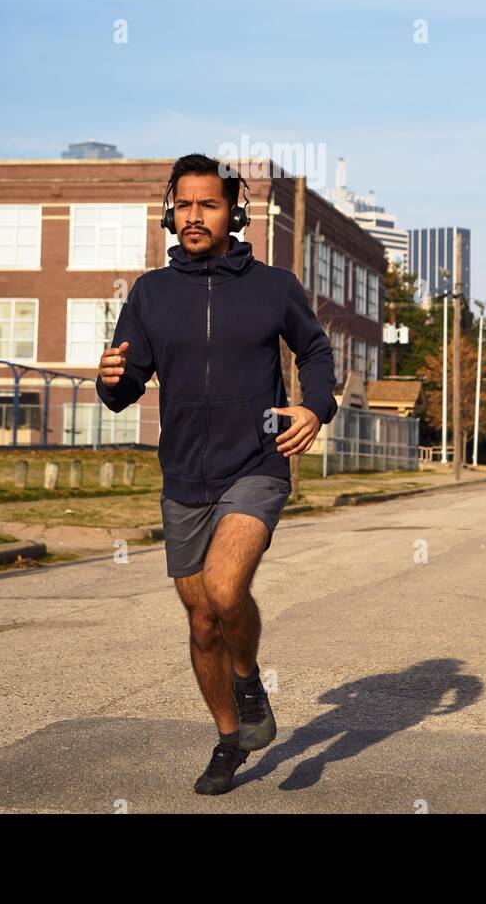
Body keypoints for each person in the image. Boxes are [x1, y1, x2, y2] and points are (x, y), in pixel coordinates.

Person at [96, 151, 338, 795]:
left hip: (257, 460)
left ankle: (250, 679)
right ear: (169, 212)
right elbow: (125, 387)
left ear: (235, 211)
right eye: (184, 204)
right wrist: (108, 380)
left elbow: (315, 351)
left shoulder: (273, 286)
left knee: (226, 589)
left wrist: (314, 407)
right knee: (202, 620)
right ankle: (230, 739)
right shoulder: (149, 293)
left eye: (208, 204)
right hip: (182, 474)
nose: (194, 215)